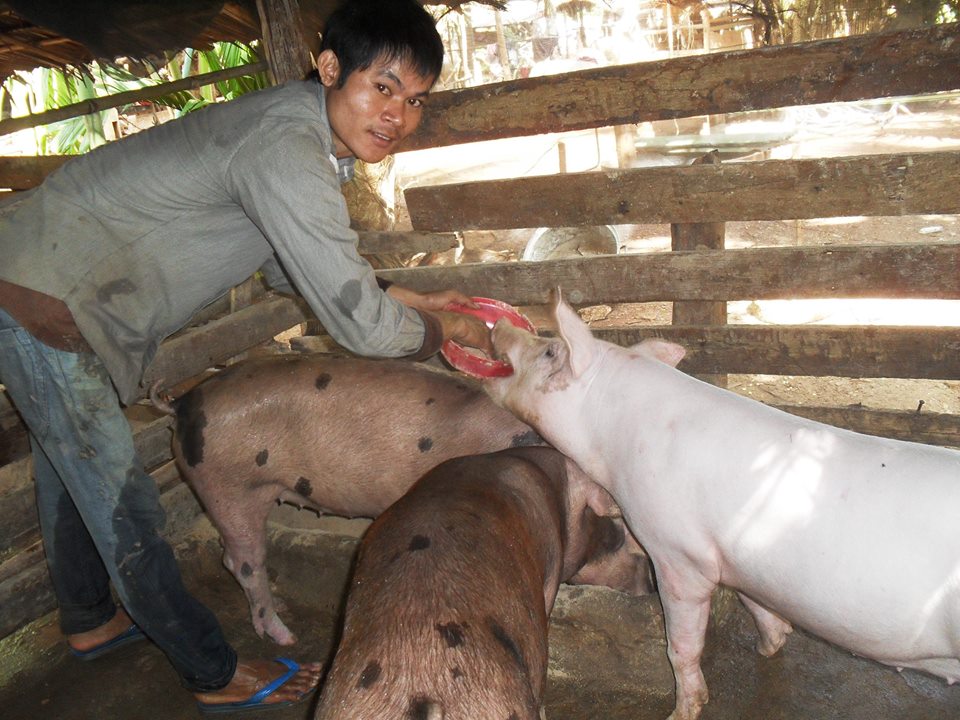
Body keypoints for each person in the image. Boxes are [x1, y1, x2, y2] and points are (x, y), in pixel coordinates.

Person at [0, 0, 492, 713]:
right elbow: (360, 325)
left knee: (66, 467)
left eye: (415, 100)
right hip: (46, 299)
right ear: (330, 68)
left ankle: (88, 620)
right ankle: (210, 670)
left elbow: (302, 271)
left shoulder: (297, 138)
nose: (399, 115)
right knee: (121, 501)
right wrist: (439, 334)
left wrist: (420, 304)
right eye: (382, 87)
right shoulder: (285, 146)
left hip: (53, 294)